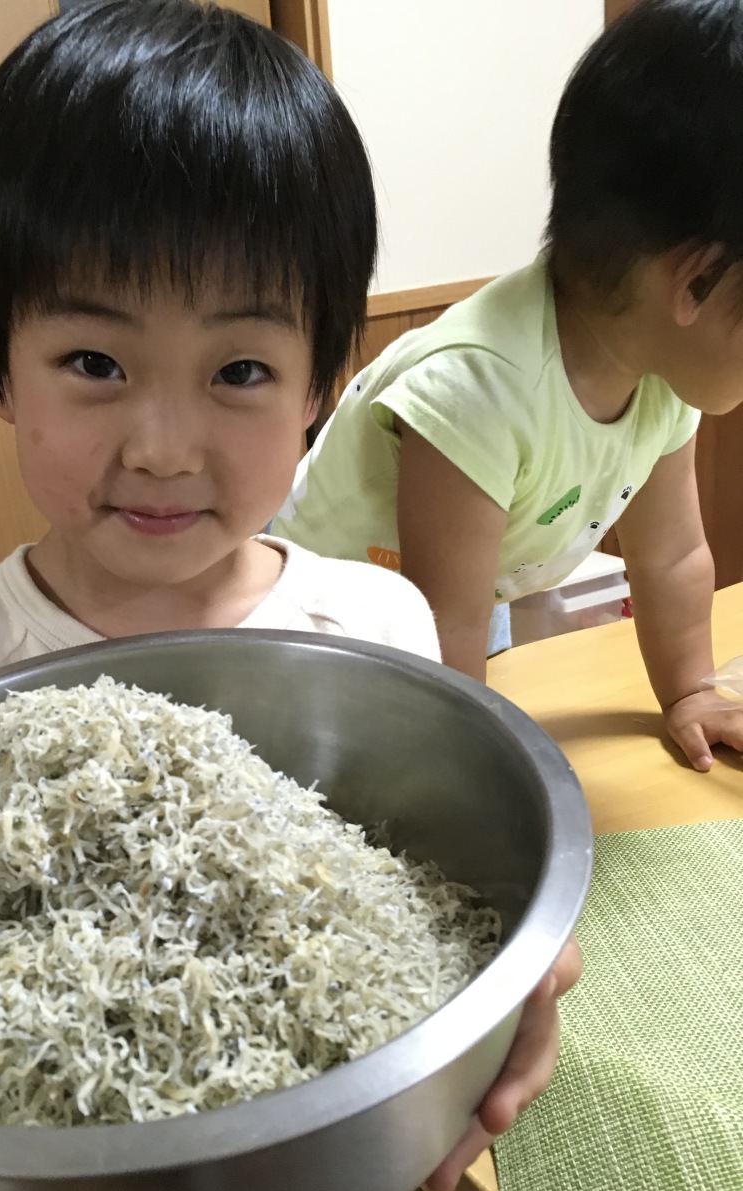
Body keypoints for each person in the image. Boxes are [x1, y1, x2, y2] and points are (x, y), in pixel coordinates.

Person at [0, 4, 580, 1191]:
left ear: (327, 381)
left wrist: (507, 995)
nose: (159, 443)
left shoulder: (374, 631)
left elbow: (464, 907)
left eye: (240, 369)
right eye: (92, 361)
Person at [274, 0, 743, 774]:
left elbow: (674, 557)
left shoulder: (661, 380)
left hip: (448, 603)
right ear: (692, 284)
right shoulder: (480, 390)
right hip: (317, 619)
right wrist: (461, 777)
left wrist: (691, 690)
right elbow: (440, 624)